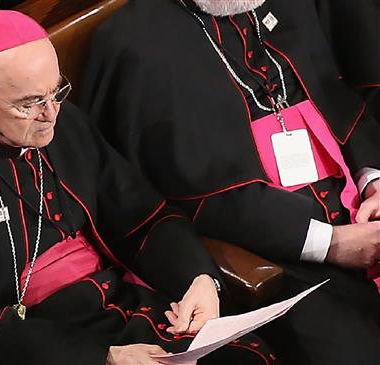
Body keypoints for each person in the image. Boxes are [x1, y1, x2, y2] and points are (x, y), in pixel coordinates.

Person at [0, 9, 280, 365]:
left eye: (56, 92)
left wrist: (199, 279)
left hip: (126, 305)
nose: (50, 114)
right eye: (30, 102)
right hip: (54, 342)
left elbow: (144, 219)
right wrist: (100, 357)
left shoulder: (64, 123)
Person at [80, 0, 380, 364]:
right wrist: (330, 243)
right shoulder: (137, 43)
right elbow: (194, 192)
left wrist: (372, 179)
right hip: (276, 260)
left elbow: (339, 98)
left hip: (359, 210)